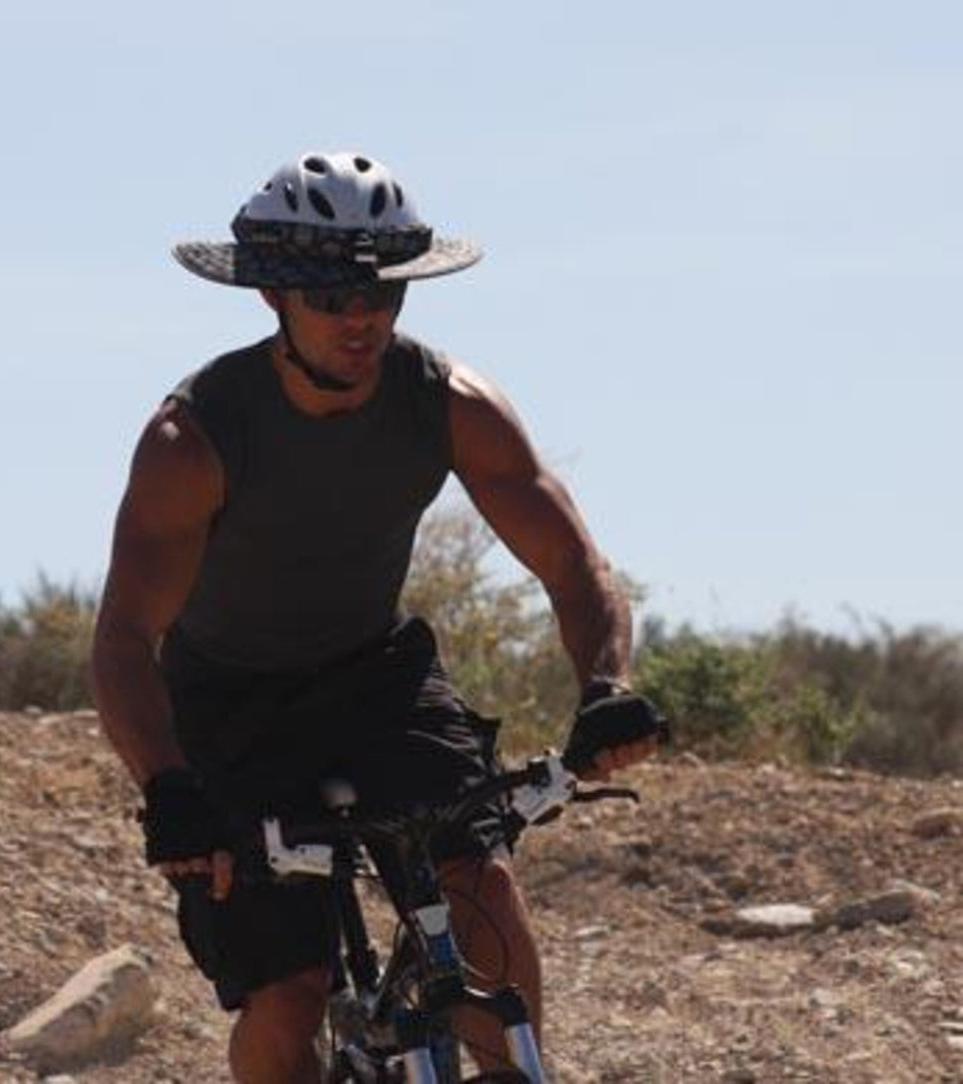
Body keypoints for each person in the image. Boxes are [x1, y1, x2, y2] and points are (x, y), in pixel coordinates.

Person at [91, 150, 664, 1083]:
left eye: (382, 295)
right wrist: (168, 788)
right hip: (229, 711)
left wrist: (606, 685)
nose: (361, 319)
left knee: (477, 880)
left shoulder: (449, 404)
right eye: (330, 296)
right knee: (289, 991)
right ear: (273, 294)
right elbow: (121, 639)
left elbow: (573, 566)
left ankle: (515, 1071)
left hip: (377, 682)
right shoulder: (191, 440)